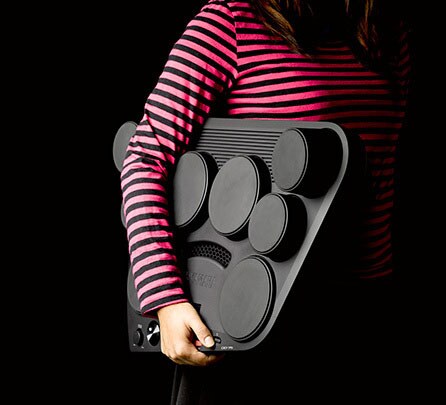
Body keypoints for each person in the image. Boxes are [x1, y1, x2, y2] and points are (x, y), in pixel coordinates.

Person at [120, 0, 412, 403]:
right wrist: (165, 298)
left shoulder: (384, 30)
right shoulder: (229, 22)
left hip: (361, 311)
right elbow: (145, 157)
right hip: (260, 320)